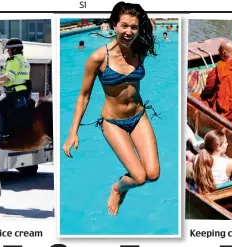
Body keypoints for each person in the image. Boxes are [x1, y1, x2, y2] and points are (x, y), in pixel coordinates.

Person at [62, 1, 160, 216]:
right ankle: (117, 188)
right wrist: (72, 133)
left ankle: (123, 186)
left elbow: (150, 29)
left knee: (153, 174)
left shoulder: (140, 50)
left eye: (134, 27)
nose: (129, 32)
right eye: (124, 26)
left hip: (138, 116)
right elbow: (84, 96)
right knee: (139, 178)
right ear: (114, 25)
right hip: (113, 122)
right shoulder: (98, 57)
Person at [0, 38, 33, 144]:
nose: (8, 52)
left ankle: (2, 135)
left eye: (9, 49)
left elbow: (9, 77)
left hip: (15, 91)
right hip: (23, 90)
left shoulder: (14, 60)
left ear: (14, 50)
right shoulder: (24, 60)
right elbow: (15, 78)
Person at [192, 129, 232, 194]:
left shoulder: (197, 158)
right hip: (221, 198)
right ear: (218, 147)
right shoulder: (229, 163)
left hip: (201, 196)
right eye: (225, 142)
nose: (227, 144)